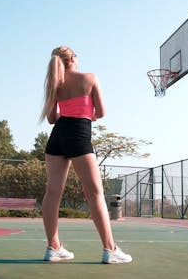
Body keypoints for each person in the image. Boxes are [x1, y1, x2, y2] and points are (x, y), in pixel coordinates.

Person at [39, 46, 132, 264]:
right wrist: (84, 114)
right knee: (95, 194)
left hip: (57, 137)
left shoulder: (56, 83)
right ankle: (110, 249)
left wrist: (68, 110)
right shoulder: (89, 78)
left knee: (52, 194)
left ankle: (54, 247)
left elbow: (52, 119)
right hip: (79, 135)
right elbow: (100, 112)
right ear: (72, 58)